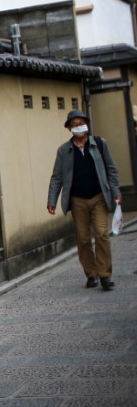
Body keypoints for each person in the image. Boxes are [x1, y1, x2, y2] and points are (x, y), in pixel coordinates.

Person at [47, 109, 122, 290]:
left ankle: (105, 275)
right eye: (74, 125)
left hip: (98, 197)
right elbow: (56, 177)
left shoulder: (99, 144)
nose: (78, 127)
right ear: (69, 129)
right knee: (82, 239)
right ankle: (91, 274)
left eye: (81, 123)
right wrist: (51, 200)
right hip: (77, 200)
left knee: (102, 234)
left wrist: (115, 191)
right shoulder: (64, 151)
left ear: (86, 125)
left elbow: (111, 169)